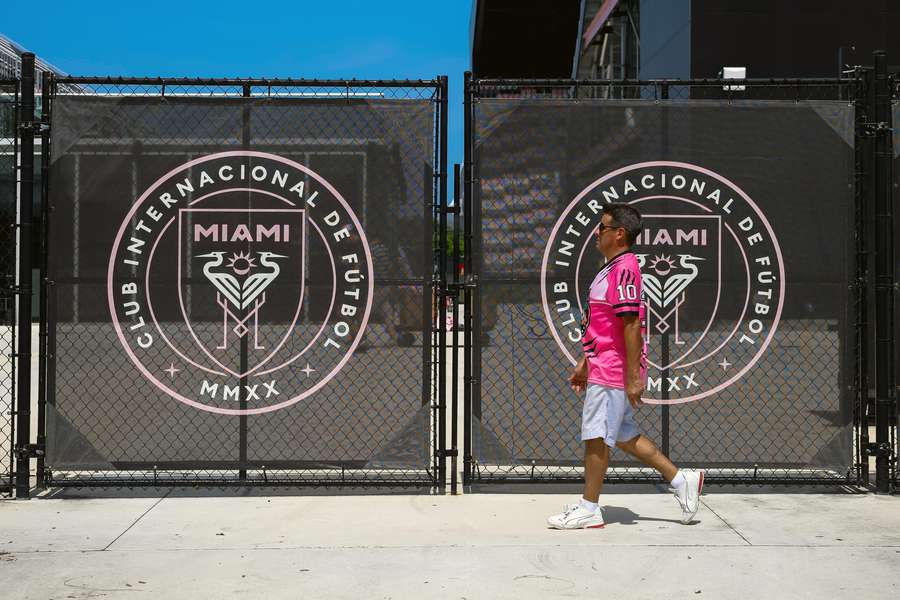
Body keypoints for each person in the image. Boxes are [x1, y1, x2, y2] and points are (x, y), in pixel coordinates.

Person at [547, 203, 704, 529]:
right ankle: (680, 479)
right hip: (602, 365)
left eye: (602, 227)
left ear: (619, 233)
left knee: (596, 436)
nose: (596, 232)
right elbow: (603, 327)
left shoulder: (625, 269)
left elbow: (631, 324)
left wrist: (634, 376)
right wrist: (584, 363)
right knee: (621, 433)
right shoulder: (612, 267)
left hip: (613, 370)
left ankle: (589, 509)